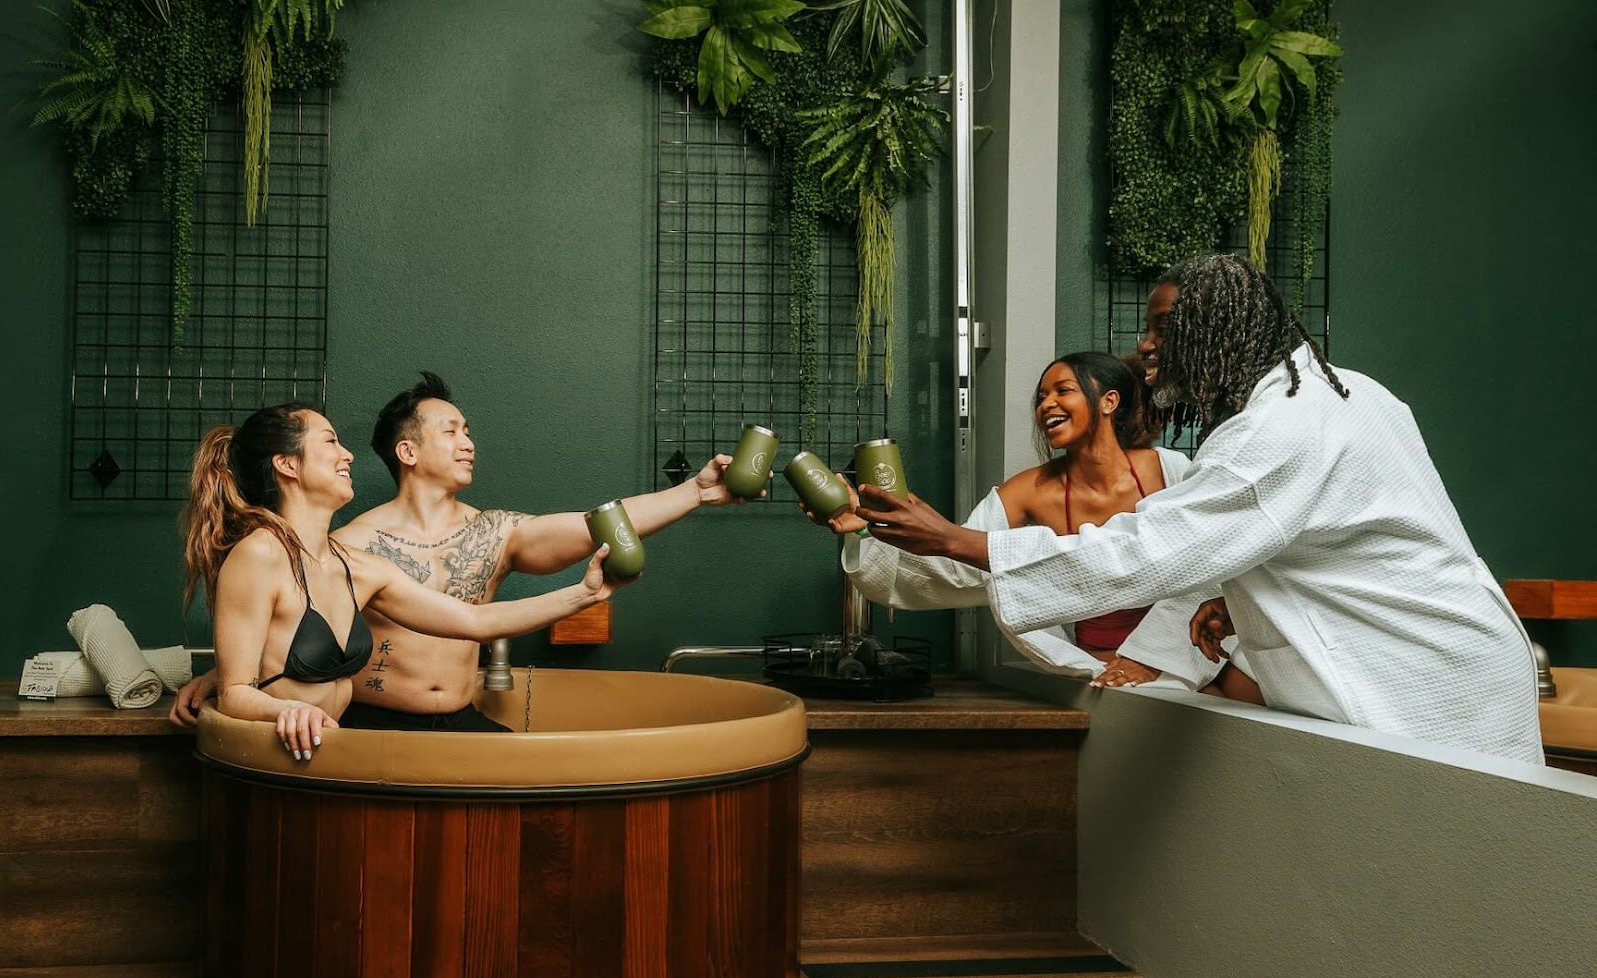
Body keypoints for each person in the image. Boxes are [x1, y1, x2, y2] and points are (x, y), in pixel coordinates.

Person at [849, 254, 1542, 764]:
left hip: (1426, 682)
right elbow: (1346, 542)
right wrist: (1243, 600)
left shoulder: (1282, 427)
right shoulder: (1342, 392)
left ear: (1218, 328)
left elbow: (1149, 550)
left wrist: (959, 541)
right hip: (1430, 666)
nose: (1146, 346)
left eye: (1161, 327)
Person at [173, 372, 747, 731]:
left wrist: (691, 493)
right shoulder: (345, 545)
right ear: (408, 450)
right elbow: (279, 636)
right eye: (450, 431)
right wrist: (229, 680)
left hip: (457, 718)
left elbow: (596, 527)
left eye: (467, 429)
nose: (468, 441)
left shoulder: (485, 535)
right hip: (371, 726)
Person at [181, 403, 625, 758]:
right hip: (286, 760)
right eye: (331, 442)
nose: (347, 454)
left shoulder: (357, 565)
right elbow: (236, 695)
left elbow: (474, 622)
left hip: (339, 750)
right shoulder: (259, 553)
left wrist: (581, 594)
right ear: (287, 465)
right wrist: (287, 710)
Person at [819, 350, 1251, 696]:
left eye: (1063, 390)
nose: (1046, 405)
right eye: (1041, 397)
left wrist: (1160, 656)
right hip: (1102, 672)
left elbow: (1208, 564)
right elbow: (957, 561)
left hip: (1188, 653)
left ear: (1109, 400)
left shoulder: (1169, 470)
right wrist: (864, 527)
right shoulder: (1028, 491)